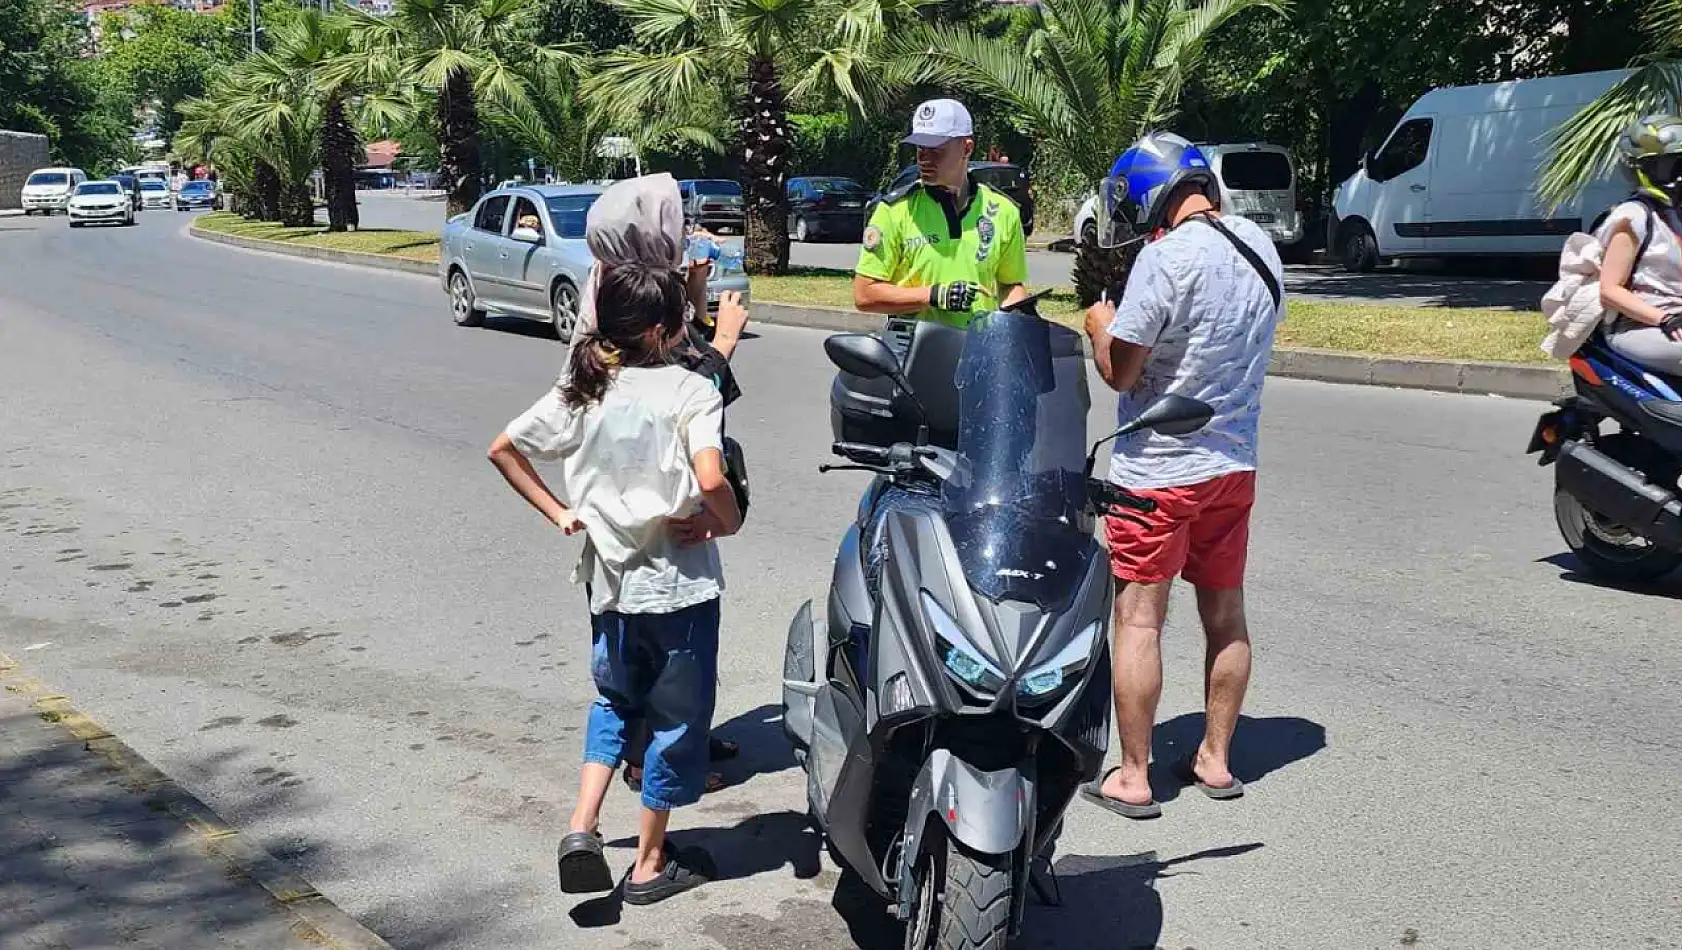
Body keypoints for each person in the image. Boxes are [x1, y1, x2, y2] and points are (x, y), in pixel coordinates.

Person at [487, 262, 742, 905]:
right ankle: (651, 862)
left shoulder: (583, 386)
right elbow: (712, 479)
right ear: (661, 330)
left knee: (614, 701)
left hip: (609, 588)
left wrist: (560, 512)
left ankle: (582, 826)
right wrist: (724, 523)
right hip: (680, 590)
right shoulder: (690, 391)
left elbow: (503, 448)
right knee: (675, 723)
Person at [1076, 132, 1284, 820]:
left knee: (1139, 618)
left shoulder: (1164, 261)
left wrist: (1098, 324)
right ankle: (1216, 758)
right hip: (1234, 466)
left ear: (1147, 198)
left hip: (1159, 473)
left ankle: (1133, 777)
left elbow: (1121, 373)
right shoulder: (1262, 247)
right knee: (1226, 613)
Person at [573, 174, 749, 792]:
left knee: (644, 646)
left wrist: (692, 292)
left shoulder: (624, 282)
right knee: (665, 640)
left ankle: (682, 738)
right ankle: (659, 762)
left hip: (626, 506)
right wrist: (723, 341)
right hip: (655, 508)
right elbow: (687, 385)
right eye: (671, 221)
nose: (682, 231)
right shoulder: (626, 296)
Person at [853, 98, 1030, 326]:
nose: (924, 158)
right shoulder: (894, 211)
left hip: (977, 353)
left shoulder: (1003, 211)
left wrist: (1018, 315)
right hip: (915, 354)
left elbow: (1010, 285)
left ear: (967, 148)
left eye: (936, 149)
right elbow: (864, 295)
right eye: (920, 148)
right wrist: (933, 295)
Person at [1596, 115, 1682, 372]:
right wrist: (1664, 319)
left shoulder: (1675, 215)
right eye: (1671, 167)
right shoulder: (1633, 216)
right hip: (1640, 326)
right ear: (1642, 169)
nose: (1679, 177)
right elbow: (1609, 290)